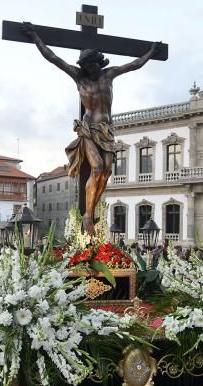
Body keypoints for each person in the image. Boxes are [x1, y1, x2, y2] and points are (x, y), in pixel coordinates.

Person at [22, 22, 160, 233]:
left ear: (99, 62)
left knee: (106, 171)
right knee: (96, 168)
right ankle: (88, 215)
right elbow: (53, 57)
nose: (92, 69)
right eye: (88, 66)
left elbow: (134, 65)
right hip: (88, 129)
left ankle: (93, 209)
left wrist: (151, 52)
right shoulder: (79, 77)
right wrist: (35, 37)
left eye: (94, 65)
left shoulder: (109, 74)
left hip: (107, 130)